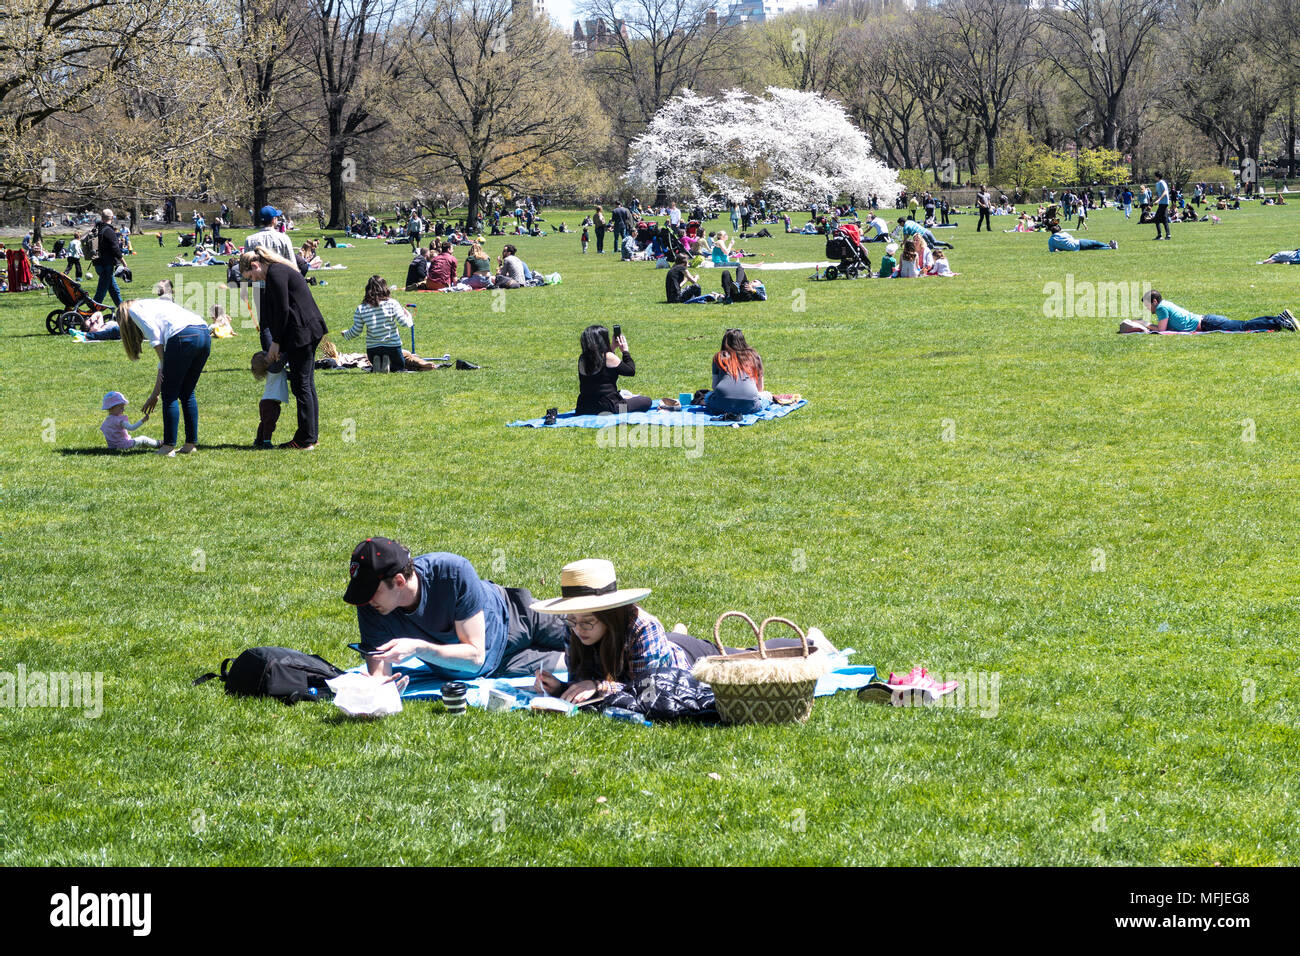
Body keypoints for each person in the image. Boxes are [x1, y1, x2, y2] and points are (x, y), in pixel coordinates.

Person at [530, 559, 826, 702]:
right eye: (572, 621)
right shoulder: (576, 626)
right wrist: (560, 688)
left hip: (686, 662)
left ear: (610, 615)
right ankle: (678, 631)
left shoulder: (641, 627)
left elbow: (650, 689)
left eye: (587, 622)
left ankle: (813, 641)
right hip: (663, 647)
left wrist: (599, 687)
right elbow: (583, 680)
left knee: (752, 658)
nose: (578, 629)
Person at [344, 538, 569, 682]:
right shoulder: (371, 605)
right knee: (578, 662)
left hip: (517, 616)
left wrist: (418, 648)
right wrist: (377, 687)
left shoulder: (451, 572)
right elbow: (380, 676)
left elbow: (475, 655)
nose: (366, 600)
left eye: (371, 591)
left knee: (591, 633)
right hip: (501, 667)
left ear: (400, 581)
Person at [238, 246, 328, 449]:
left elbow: (282, 311)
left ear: (255, 265)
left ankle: (305, 439)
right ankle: (310, 435)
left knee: (301, 385)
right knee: (306, 384)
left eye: (251, 275)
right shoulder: (277, 272)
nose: (253, 280)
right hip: (306, 330)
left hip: (302, 332)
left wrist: (276, 343)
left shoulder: (276, 273)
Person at [116, 297, 212, 456]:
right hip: (203, 333)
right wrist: (155, 394)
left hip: (183, 337)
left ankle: (168, 447)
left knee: (170, 395)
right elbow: (165, 363)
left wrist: (163, 360)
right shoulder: (157, 306)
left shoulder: (134, 310)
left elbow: (155, 337)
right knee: (187, 392)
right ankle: (190, 445)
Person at [342, 275, 413, 372]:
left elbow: (356, 331)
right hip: (392, 347)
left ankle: (378, 364)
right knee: (399, 367)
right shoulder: (392, 303)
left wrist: (346, 334)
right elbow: (405, 323)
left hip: (373, 349)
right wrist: (409, 316)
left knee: (377, 355)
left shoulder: (361, 308)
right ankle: (390, 365)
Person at [576, 324, 651, 414]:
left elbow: (599, 363)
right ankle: (622, 411)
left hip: (584, 407)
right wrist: (625, 352)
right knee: (646, 401)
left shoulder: (583, 358)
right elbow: (630, 371)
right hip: (609, 407)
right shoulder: (609, 357)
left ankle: (623, 397)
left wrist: (612, 348)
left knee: (620, 394)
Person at [1141, 290, 1296, 333]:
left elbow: (1161, 330)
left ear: (1154, 301)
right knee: (1243, 324)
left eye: (1148, 305)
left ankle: (1278, 322)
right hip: (1208, 321)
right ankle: (1279, 318)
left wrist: (1146, 325)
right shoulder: (1165, 304)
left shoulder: (1161, 307)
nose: (1148, 308)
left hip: (1208, 323)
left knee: (1244, 326)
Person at [705, 329, 769, 415]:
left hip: (721, 405)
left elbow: (714, 386)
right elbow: (760, 388)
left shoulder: (719, 357)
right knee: (767, 396)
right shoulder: (754, 356)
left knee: (707, 396)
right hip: (750, 406)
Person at [92, 210, 125, 306]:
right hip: (106, 265)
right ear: (112, 217)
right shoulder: (108, 230)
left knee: (114, 290)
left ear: (102, 217)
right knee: (101, 293)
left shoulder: (97, 228)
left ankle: (122, 310)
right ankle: (92, 313)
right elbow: (115, 249)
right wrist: (123, 262)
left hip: (98, 263)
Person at [1047, 224, 1116, 251]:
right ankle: (1109, 245)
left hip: (1075, 249)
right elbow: (1072, 238)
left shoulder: (1051, 240)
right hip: (1078, 243)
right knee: (1094, 243)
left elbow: (1052, 251)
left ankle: (1109, 248)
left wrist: (1060, 248)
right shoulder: (1064, 234)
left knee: (1094, 248)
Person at [1152, 173, 1172, 240]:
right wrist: (1153, 201)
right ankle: (1168, 235)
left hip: (1164, 203)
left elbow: (1165, 192)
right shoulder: (1157, 184)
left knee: (1157, 219)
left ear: (1158, 177)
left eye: (1155, 176)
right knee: (1164, 219)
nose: (1154, 178)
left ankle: (1159, 235)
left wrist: (1158, 200)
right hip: (1161, 203)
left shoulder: (1162, 182)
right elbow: (1158, 194)